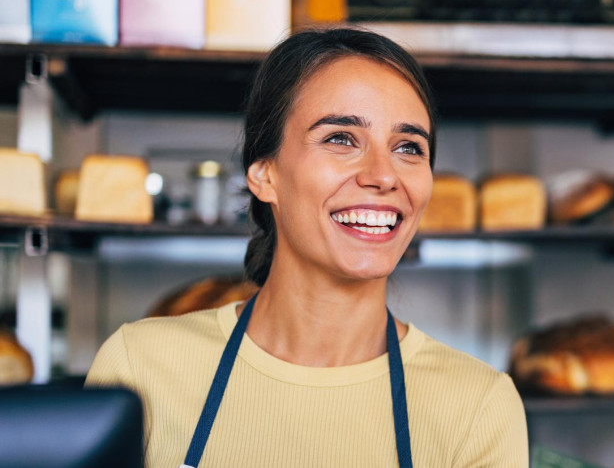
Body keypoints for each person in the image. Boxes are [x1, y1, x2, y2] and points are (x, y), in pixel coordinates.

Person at [86, 28, 529, 467]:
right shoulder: (140, 368)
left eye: (409, 148)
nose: (384, 175)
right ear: (264, 175)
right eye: (341, 138)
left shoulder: (478, 407)